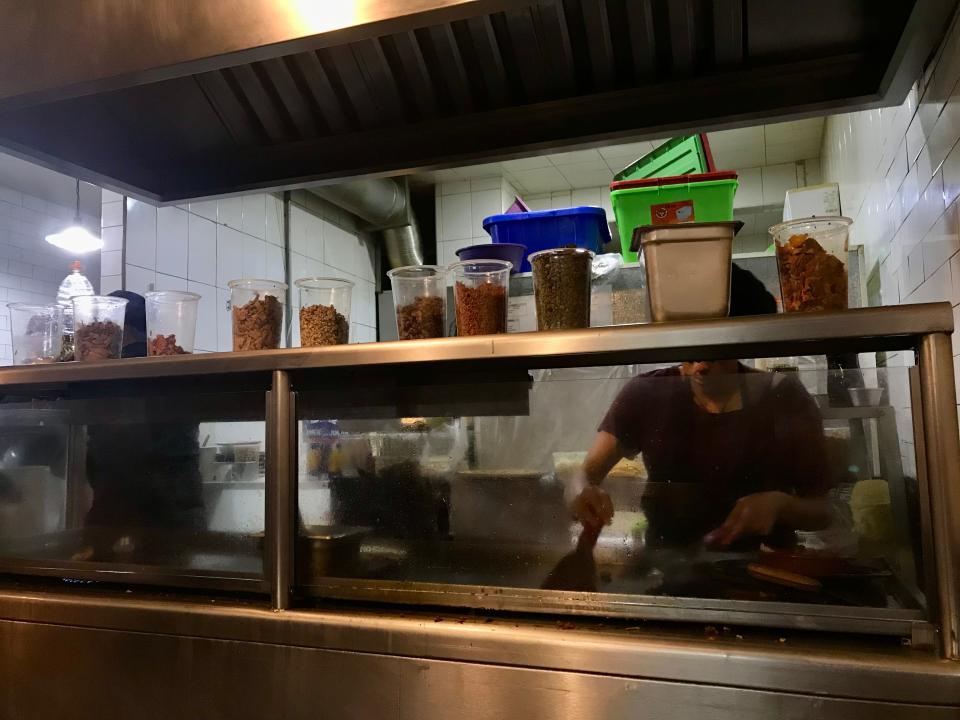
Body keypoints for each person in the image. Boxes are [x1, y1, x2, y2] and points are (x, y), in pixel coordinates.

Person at [569, 265, 834, 550]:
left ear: (740, 344)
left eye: (716, 352)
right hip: (667, 573)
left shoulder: (783, 396)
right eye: (690, 352)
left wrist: (781, 506)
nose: (702, 366)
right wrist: (582, 492)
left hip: (768, 570)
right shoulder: (647, 393)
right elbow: (582, 476)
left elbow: (823, 511)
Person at [81, 291, 204, 559]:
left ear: (120, 329)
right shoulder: (175, 367)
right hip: (178, 513)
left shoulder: (114, 372)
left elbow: (120, 451)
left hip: (125, 516)